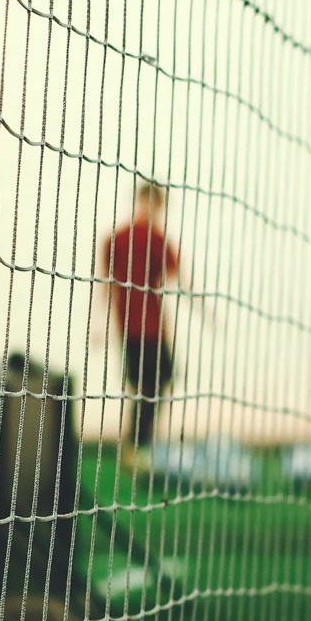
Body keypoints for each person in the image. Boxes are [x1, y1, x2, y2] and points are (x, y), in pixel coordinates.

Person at [100, 181, 180, 461]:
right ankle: (136, 447)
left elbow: (173, 279)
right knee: (146, 384)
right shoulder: (119, 238)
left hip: (155, 325)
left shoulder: (159, 240)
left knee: (158, 379)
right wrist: (100, 324)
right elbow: (105, 284)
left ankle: (138, 445)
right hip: (133, 326)